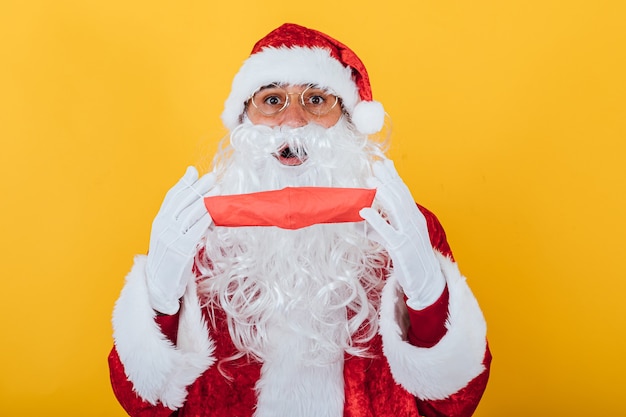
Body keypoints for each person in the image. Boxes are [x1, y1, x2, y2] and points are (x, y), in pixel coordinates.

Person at [108, 23, 491, 417]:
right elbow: (145, 406)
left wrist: (430, 298)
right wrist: (157, 301)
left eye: (315, 99)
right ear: (244, 121)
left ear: (348, 120)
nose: (293, 120)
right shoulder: (194, 230)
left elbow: (454, 403)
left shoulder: (405, 226)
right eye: (272, 100)